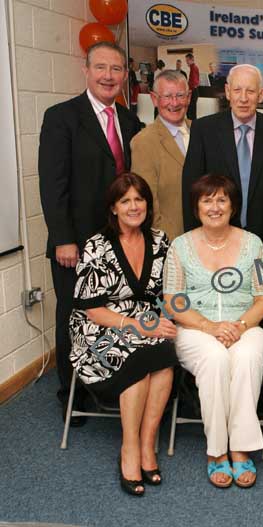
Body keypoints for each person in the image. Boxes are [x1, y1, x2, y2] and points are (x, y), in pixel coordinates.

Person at [38, 41, 143, 425]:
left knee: (113, 313)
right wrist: (63, 237)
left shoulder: (130, 122)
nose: (108, 76)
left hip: (118, 241)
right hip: (75, 243)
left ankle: (105, 385)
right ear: (86, 70)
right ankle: (72, 393)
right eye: (101, 68)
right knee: (75, 317)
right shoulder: (62, 117)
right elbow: (53, 184)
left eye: (116, 69)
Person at [69, 173, 177, 496]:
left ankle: (147, 445)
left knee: (165, 351)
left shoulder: (160, 241)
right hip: (98, 329)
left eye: (140, 199)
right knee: (140, 354)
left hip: (145, 322)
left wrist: (166, 317)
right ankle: (129, 449)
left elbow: (164, 295)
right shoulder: (96, 246)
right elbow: (92, 309)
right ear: (114, 208)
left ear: (148, 204)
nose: (134, 206)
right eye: (125, 200)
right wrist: (139, 326)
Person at [163, 173, 263, 489]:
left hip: (245, 325)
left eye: (221, 199)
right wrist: (210, 327)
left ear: (232, 205)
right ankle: (216, 452)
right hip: (195, 328)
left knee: (249, 356)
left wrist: (238, 327)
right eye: (207, 200)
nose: (214, 207)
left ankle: (240, 448)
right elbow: (172, 299)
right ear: (196, 207)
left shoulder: (254, 243)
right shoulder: (179, 246)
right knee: (215, 359)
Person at [182, 64, 263, 265]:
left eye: (250, 91)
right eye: (237, 90)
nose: (243, 98)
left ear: (261, 95)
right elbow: (192, 189)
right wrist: (194, 243)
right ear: (227, 92)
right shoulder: (204, 129)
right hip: (213, 242)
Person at [131, 70, 191, 240]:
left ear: (189, 97)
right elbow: (147, 202)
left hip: (208, 241)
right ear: (154, 99)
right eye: (167, 96)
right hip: (170, 244)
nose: (175, 102)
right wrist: (168, 244)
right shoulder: (143, 142)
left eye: (180, 95)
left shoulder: (202, 132)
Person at [185, 53, 199, 120]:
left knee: (191, 112)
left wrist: (189, 90)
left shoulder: (193, 68)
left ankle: (192, 127)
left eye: (187, 60)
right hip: (194, 91)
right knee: (191, 111)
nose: (186, 62)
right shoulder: (193, 67)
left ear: (191, 59)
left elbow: (194, 81)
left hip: (193, 91)